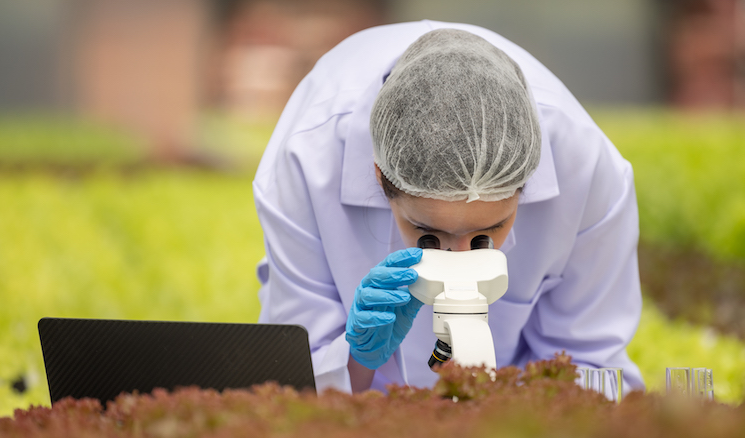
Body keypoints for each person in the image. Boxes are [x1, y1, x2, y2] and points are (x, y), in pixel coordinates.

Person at [253, 20, 644, 395]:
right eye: (428, 234)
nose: (459, 260)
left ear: (527, 184)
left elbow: (593, 368)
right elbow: (294, 385)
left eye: (484, 237)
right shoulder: (306, 158)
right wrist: (356, 359)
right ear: (379, 177)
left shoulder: (589, 171)